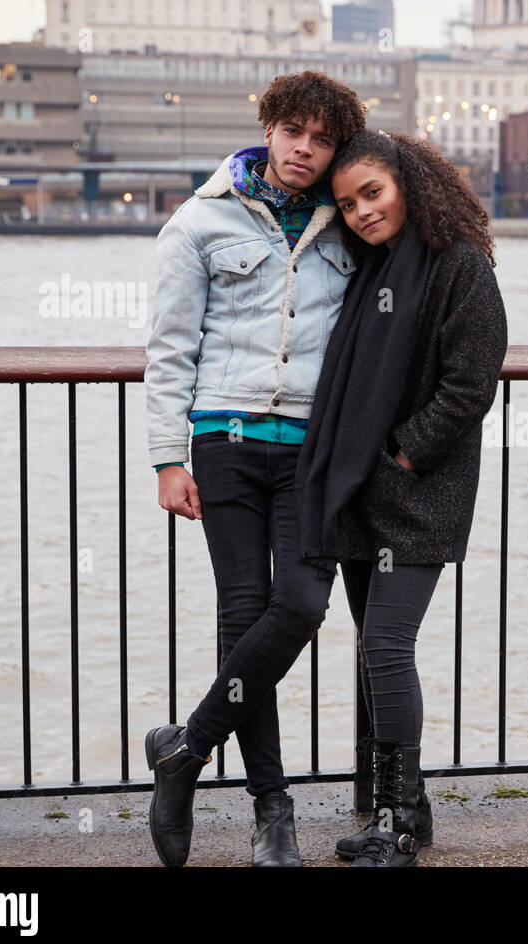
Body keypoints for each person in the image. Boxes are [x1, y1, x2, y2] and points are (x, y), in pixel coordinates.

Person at [142, 70, 366, 867]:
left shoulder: (349, 227)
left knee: (299, 607)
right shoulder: (199, 222)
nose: (306, 150)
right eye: (294, 133)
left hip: (312, 452)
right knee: (245, 618)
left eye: (323, 140)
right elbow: (169, 350)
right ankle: (274, 813)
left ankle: (186, 751)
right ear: (267, 128)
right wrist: (169, 457)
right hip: (224, 443)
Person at [293, 129, 508, 867]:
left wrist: (404, 451)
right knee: (374, 650)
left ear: (410, 184)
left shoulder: (460, 266)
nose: (360, 213)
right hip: (362, 490)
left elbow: (472, 383)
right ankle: (407, 811)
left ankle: (395, 818)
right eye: (347, 203)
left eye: (372, 194)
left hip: (420, 492)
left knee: (386, 646)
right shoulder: (368, 268)